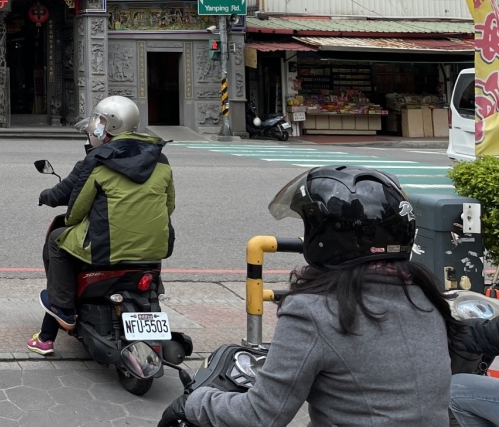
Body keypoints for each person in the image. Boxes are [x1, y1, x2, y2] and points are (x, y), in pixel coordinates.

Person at [158, 166, 457, 427]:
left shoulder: (315, 311)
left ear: (327, 237)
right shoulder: (426, 298)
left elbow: (260, 416)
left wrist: (195, 401)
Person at [28, 94, 174, 356]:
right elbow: (169, 206)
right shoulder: (160, 160)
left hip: (106, 248)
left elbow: (76, 211)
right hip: (156, 248)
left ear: (110, 125)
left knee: (57, 240)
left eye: (100, 122)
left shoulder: (99, 160)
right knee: (146, 247)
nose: (96, 127)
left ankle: (63, 308)